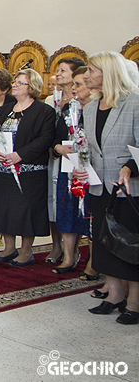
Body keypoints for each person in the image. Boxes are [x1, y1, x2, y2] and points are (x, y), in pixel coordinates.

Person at [73, 52, 139, 324]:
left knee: (129, 245)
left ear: (108, 73)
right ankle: (114, 295)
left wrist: (129, 167)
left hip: (127, 189)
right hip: (99, 186)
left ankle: (134, 302)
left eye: (91, 70)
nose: (86, 75)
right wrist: (80, 166)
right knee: (103, 242)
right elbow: (88, 148)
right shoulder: (90, 108)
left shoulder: (134, 103)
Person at [0, 69, 57, 266]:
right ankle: (9, 248)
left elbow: (45, 139)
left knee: (27, 210)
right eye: (15, 81)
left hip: (29, 170)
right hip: (4, 169)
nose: (14, 85)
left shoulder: (44, 111)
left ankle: (26, 251)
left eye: (20, 82)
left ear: (31, 87)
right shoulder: (5, 109)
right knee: (4, 209)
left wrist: (20, 155)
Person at [51, 65, 94, 274]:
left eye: (79, 84)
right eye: (74, 84)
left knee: (89, 214)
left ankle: (93, 262)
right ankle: (69, 257)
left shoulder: (97, 108)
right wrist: (59, 147)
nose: (74, 88)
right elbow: (55, 138)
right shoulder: (69, 108)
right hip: (68, 167)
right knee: (67, 211)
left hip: (90, 170)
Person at [45, 57, 87, 264]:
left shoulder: (88, 105)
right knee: (62, 206)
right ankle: (64, 252)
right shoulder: (63, 105)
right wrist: (58, 147)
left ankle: (83, 256)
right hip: (61, 160)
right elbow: (56, 135)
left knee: (81, 210)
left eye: (63, 70)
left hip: (84, 164)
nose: (58, 74)